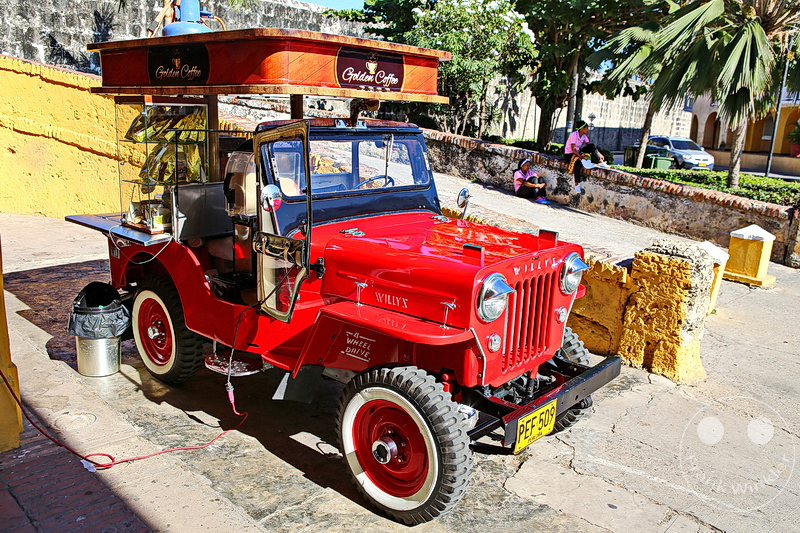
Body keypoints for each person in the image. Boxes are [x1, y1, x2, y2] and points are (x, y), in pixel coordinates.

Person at [564, 120, 605, 193]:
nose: (588, 130)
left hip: (578, 152)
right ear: (582, 128)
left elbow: (591, 147)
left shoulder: (584, 136)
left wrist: (599, 154)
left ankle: (600, 161)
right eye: (586, 128)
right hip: (569, 154)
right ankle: (577, 184)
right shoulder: (573, 135)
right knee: (578, 164)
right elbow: (573, 150)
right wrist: (581, 157)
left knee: (592, 146)